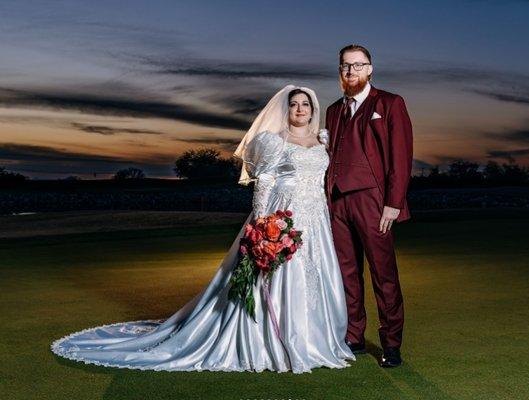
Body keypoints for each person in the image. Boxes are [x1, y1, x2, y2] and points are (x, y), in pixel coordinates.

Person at [51, 85, 355, 373]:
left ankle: (315, 338)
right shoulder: (274, 140)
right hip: (283, 214)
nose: (300, 109)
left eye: (305, 104)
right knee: (281, 276)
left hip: (316, 218)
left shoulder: (323, 140)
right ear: (286, 109)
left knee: (316, 275)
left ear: (313, 109)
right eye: (294, 104)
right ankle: (278, 340)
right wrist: (262, 224)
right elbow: (264, 182)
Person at [325, 44, 413, 368]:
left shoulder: (390, 104)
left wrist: (393, 202)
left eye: (358, 66)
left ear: (370, 69)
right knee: (346, 273)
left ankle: (392, 343)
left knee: (383, 275)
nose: (352, 72)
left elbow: (401, 158)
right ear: (340, 71)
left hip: (374, 202)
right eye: (346, 67)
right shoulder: (334, 110)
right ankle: (354, 335)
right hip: (337, 202)